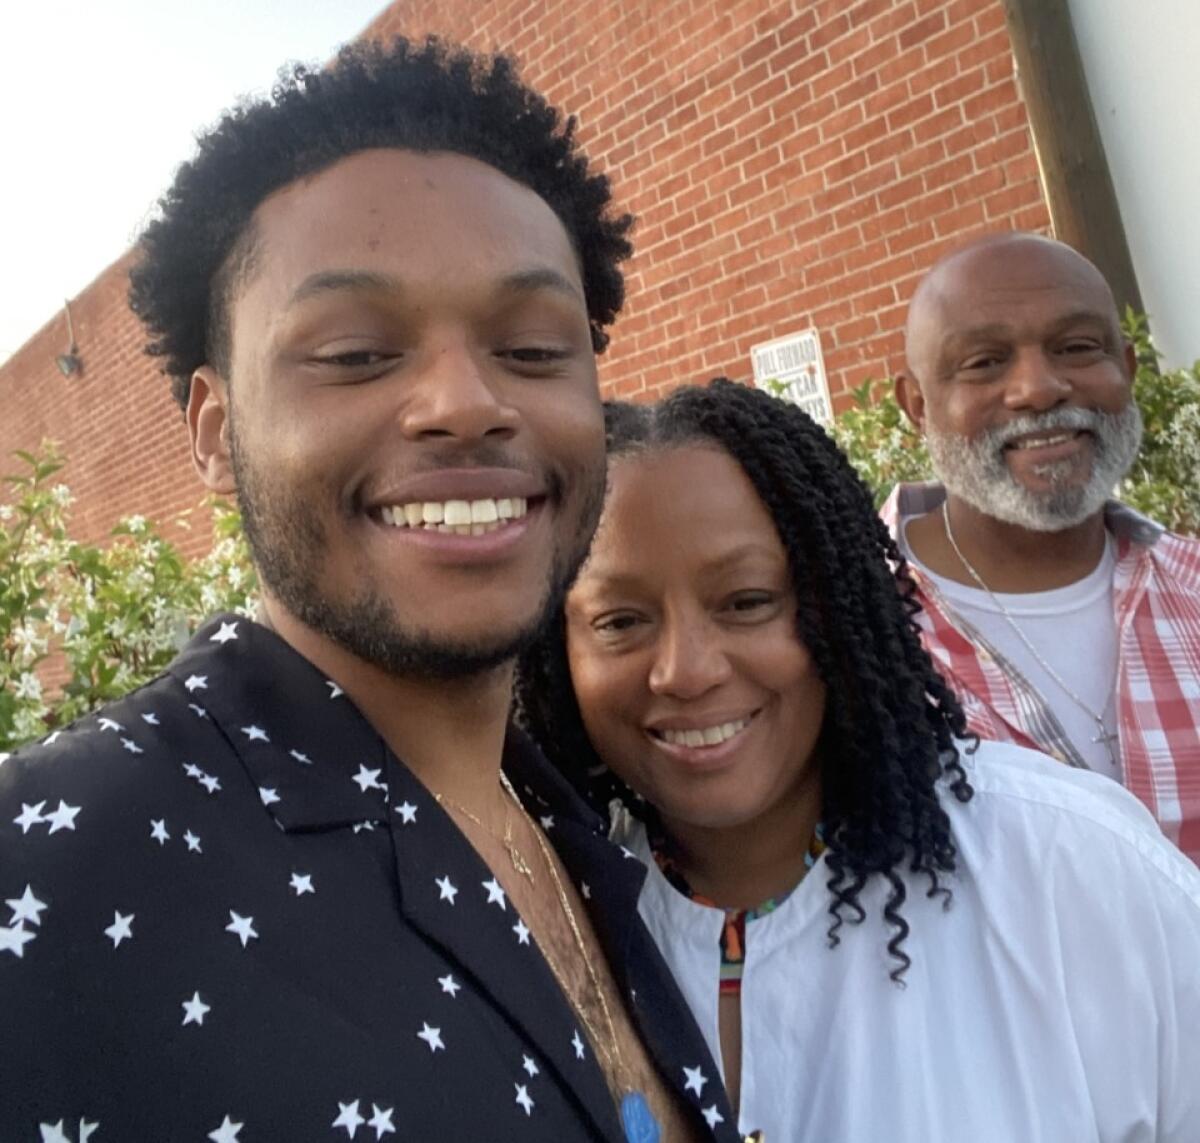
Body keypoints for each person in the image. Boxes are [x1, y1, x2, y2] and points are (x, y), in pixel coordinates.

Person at [0, 39, 737, 1141]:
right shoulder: (58, 862)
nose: (464, 402)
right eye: (353, 353)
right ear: (215, 431)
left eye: (535, 348)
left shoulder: (583, 822)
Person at [516, 380, 1200, 1143]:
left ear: (837, 607)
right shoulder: (548, 935)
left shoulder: (1072, 871)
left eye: (746, 601)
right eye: (619, 620)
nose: (685, 669)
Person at [882, 231, 1200, 864]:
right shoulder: (839, 629)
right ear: (917, 406)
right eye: (984, 361)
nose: (1039, 388)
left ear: (1128, 371)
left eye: (1077, 347)